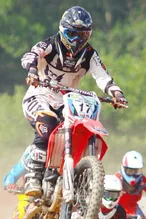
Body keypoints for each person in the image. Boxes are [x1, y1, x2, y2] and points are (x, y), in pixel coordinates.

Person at [18, 6, 127, 197]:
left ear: (89, 35)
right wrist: (33, 71)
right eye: (71, 34)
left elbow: (102, 77)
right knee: (47, 124)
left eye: (82, 35)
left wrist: (117, 93)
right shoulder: (50, 44)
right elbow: (31, 55)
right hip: (40, 95)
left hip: (66, 101)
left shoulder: (90, 55)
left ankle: (63, 176)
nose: (77, 40)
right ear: (62, 31)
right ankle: (33, 177)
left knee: (78, 131)